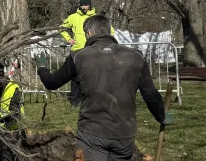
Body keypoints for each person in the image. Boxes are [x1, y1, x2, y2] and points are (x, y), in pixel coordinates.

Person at [35, 15, 171, 161]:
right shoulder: (135, 56)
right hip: (124, 134)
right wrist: (162, 115)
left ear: (89, 33)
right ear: (109, 31)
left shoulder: (79, 57)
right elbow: (150, 94)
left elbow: (51, 83)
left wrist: (42, 67)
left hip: (91, 134)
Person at [59, 0, 114, 106]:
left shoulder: (96, 17)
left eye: (86, 4)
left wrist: (103, 42)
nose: (84, 7)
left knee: (93, 74)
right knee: (75, 76)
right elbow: (61, 28)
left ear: (90, 5)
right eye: (82, 5)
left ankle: (92, 97)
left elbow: (111, 31)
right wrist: (69, 39)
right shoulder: (73, 17)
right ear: (80, 5)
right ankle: (74, 100)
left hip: (93, 49)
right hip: (77, 50)